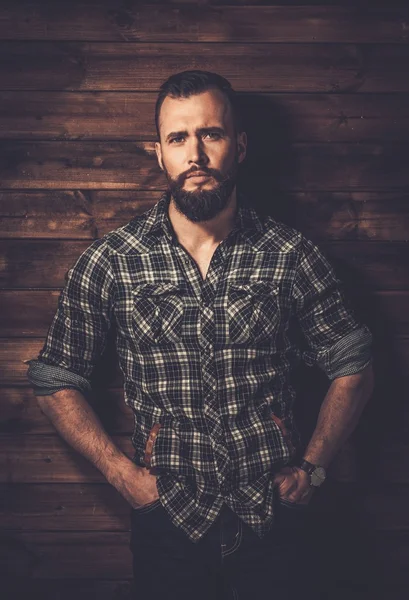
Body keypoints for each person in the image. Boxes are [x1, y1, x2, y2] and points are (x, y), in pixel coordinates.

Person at [27, 70, 374, 599]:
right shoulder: (112, 261)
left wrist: (313, 470)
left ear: (239, 145)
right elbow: (55, 379)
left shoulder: (290, 256)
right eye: (178, 138)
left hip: (273, 521)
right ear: (159, 154)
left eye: (210, 134)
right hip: (168, 523)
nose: (196, 154)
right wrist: (124, 478)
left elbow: (354, 363)